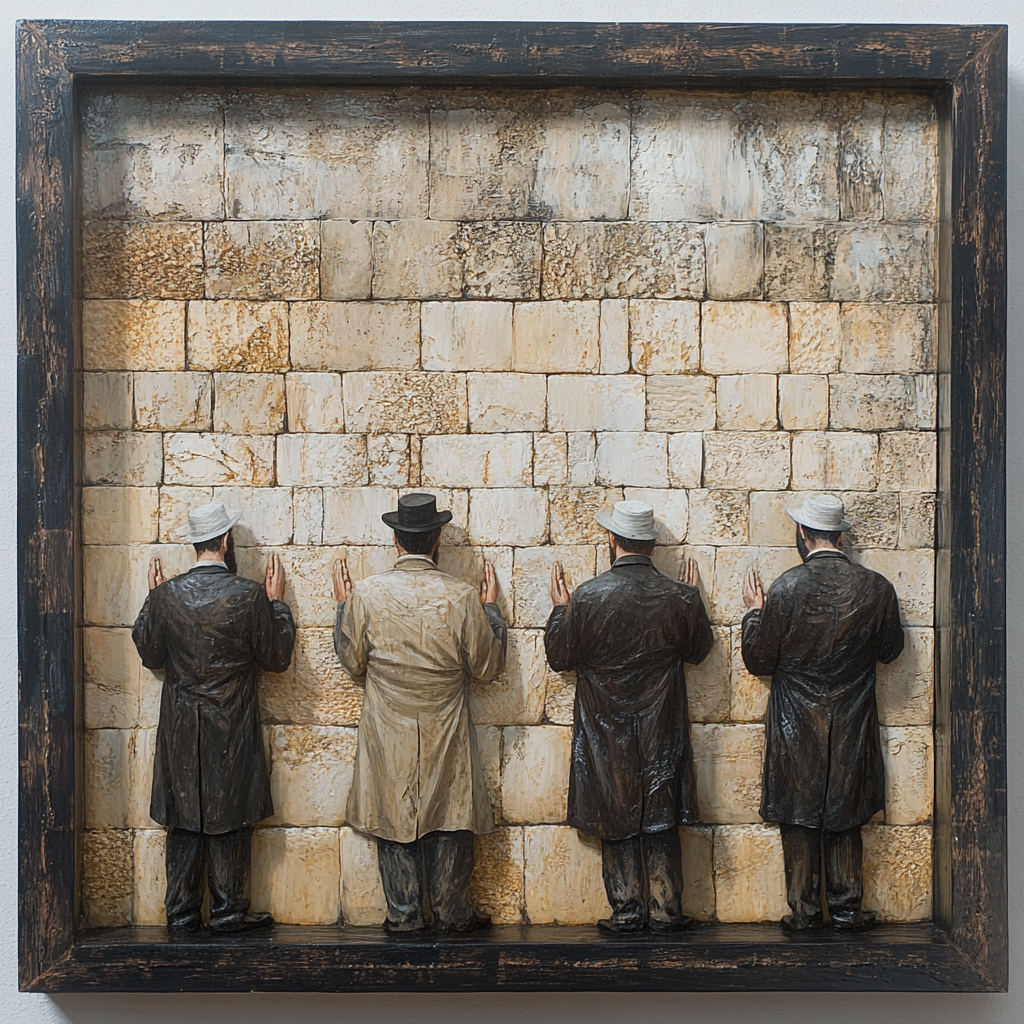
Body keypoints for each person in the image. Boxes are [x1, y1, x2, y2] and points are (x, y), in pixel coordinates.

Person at [332, 492, 507, 934]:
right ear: (437, 539)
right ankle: (452, 912)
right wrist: (493, 614)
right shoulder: (462, 596)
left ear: (395, 539)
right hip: (444, 724)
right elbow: (487, 668)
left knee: (393, 814)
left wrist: (342, 609)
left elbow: (352, 662)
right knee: (451, 808)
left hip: (386, 727)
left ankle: (404, 913)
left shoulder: (366, 595)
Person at [544, 499, 715, 933]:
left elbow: (560, 657)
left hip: (605, 729)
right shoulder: (680, 597)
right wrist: (695, 601)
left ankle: (625, 911)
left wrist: (560, 611)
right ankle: (665, 910)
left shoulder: (587, 596)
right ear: (652, 545)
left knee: (615, 814)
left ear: (612, 540)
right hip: (662, 726)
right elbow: (698, 651)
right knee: (660, 814)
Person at [741, 493, 905, 934]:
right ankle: (848, 908)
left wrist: (753, 616)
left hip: (795, 720)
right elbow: (891, 651)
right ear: (840, 534)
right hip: (851, 717)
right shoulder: (876, 587)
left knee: (799, 812)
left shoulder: (785, 588)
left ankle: (805, 911)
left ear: (801, 533)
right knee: (845, 809)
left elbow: (760, 661)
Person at [132, 501, 295, 934]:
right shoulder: (249, 595)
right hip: (231, 723)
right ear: (226, 541)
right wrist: (277, 605)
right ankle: (228, 911)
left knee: (183, 815)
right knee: (232, 812)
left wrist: (153, 600)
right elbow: (277, 658)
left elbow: (150, 654)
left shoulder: (166, 596)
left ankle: (181, 912)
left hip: (182, 724)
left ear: (196, 543)